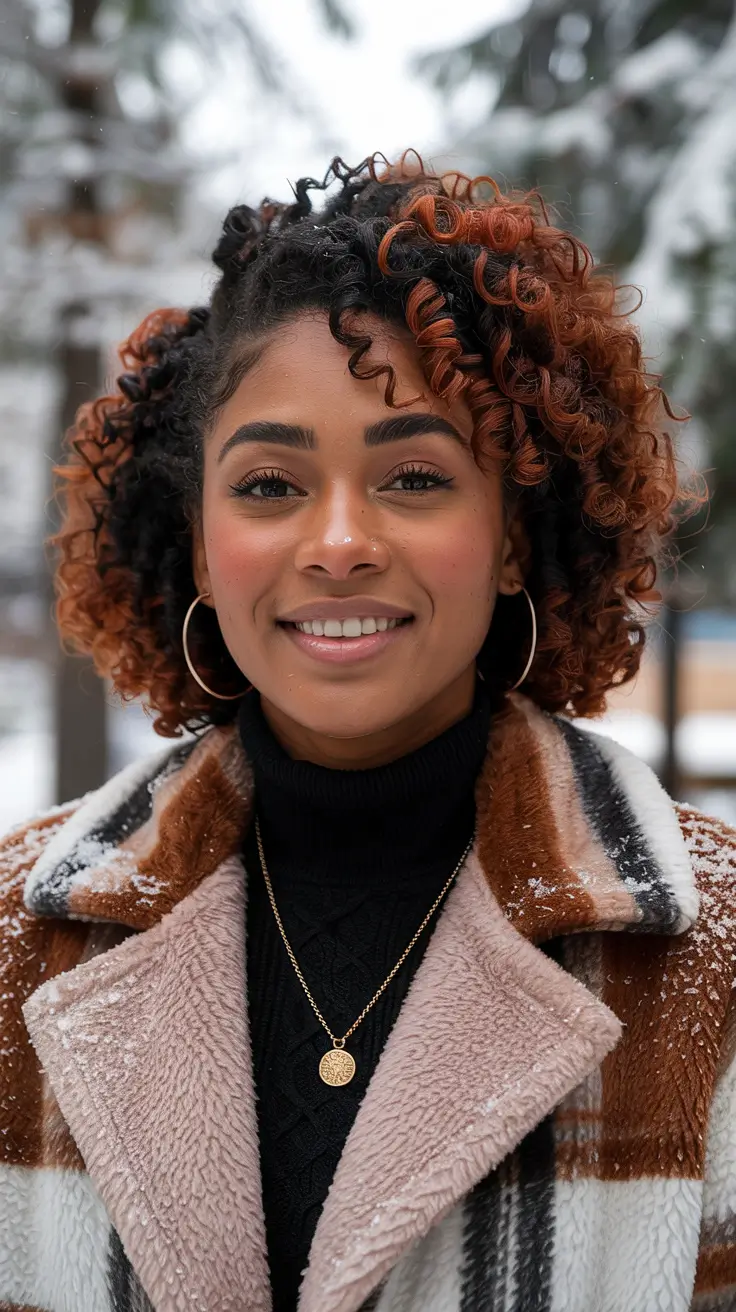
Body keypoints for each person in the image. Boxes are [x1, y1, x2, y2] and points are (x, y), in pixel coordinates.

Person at [0, 153, 734, 1312]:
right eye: (269, 486)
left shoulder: (716, 957)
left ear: (510, 535)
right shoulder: (13, 942)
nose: (337, 540)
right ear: (196, 542)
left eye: (412, 476)